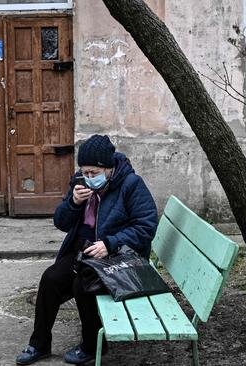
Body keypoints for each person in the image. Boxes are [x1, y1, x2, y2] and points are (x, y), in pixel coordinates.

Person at [16, 134, 158, 365]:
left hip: (118, 256)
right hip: (84, 252)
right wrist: (73, 202)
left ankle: (92, 346)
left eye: (94, 173)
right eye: (85, 172)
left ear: (108, 168)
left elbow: (146, 226)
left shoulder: (131, 184)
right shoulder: (79, 182)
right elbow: (61, 223)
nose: (89, 177)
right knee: (50, 279)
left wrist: (110, 243)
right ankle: (39, 344)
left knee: (82, 286)